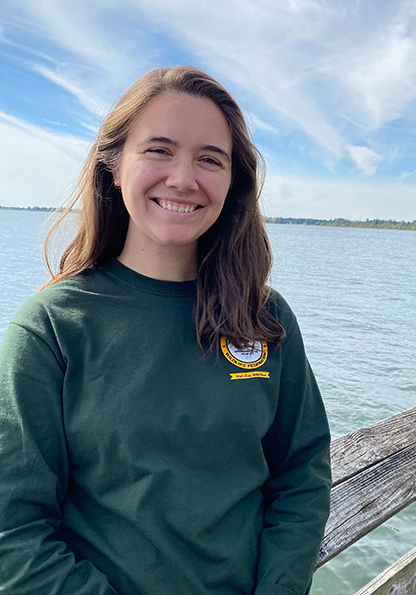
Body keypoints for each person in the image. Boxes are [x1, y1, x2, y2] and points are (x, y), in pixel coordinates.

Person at [0, 66, 331, 595]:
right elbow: (13, 535)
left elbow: (302, 476)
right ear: (113, 165)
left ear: (233, 181)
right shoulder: (51, 331)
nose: (183, 178)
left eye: (209, 159)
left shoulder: (263, 317)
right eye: (158, 150)